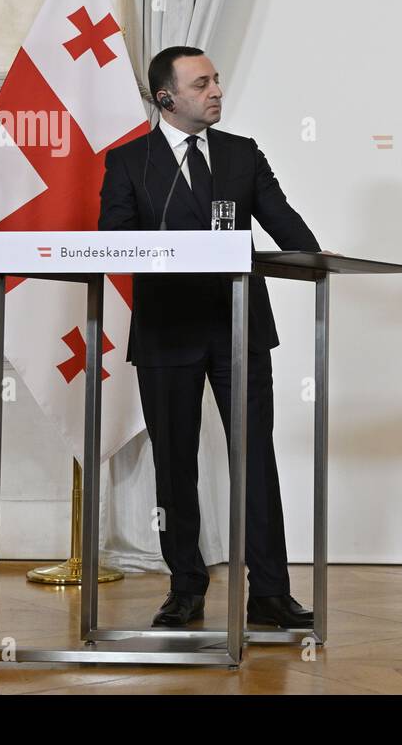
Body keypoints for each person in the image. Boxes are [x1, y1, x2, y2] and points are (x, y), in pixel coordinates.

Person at [99, 45, 318, 629]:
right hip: (167, 332)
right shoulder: (129, 162)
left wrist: (316, 256)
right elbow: (112, 243)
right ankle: (186, 586)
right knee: (175, 464)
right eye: (202, 84)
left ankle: (270, 594)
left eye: (217, 80)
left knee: (257, 461)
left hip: (237, 327)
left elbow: (288, 224)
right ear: (166, 98)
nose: (217, 91)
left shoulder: (240, 155)